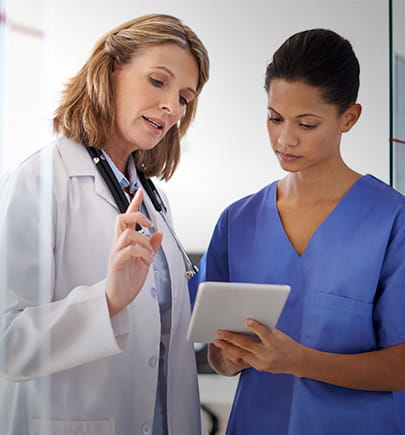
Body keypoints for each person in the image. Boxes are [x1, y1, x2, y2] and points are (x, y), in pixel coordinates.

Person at [0, 14, 209, 435]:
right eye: (158, 81)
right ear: (111, 70)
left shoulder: (152, 199)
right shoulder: (44, 180)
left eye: (185, 97)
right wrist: (107, 301)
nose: (172, 107)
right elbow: (9, 343)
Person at [189, 28, 405, 434]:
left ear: (349, 118)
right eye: (274, 118)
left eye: (306, 124)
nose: (284, 139)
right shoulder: (238, 221)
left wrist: (299, 362)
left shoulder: (392, 221)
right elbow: (217, 356)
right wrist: (229, 358)